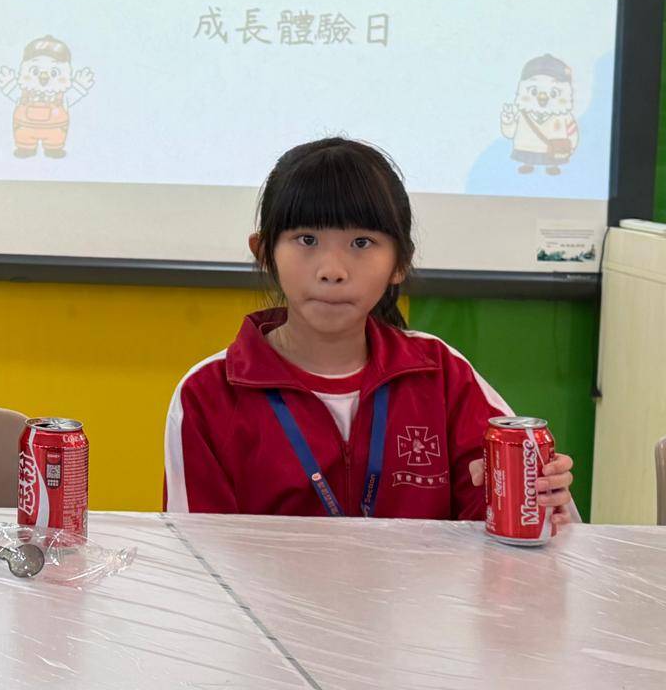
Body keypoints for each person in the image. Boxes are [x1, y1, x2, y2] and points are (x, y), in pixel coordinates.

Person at [163, 137, 576, 521]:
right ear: (265, 253)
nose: (332, 271)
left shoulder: (442, 375)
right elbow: (196, 556)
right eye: (306, 239)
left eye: (361, 243)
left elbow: (502, 530)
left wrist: (540, 499)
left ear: (399, 262)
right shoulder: (209, 395)